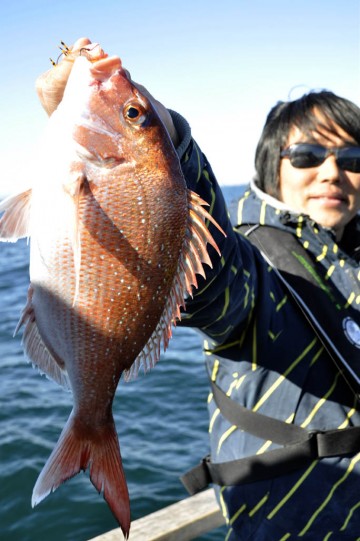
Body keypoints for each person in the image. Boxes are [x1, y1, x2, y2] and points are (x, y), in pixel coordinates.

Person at [38, 38, 360, 540]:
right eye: (307, 154)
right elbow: (213, 282)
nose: (332, 171)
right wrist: (163, 129)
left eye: (352, 156)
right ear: (272, 166)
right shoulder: (257, 264)